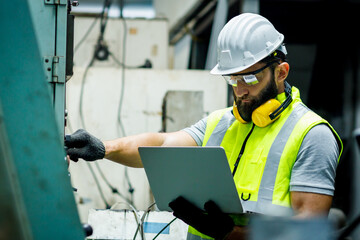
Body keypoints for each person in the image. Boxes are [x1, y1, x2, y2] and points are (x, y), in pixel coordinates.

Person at [65, 13, 343, 240]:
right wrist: (104, 148)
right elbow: (161, 146)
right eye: (233, 80)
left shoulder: (312, 134)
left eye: (250, 78)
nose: (241, 91)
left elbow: (309, 229)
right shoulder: (221, 123)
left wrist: (231, 234)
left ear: (281, 72)